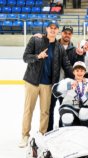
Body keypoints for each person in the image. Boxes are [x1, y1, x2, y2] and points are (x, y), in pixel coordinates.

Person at [20, 20, 74, 148]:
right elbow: (25, 57)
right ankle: (25, 136)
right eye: (51, 27)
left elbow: (66, 65)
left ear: (58, 31)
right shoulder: (36, 40)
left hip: (48, 84)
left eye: (55, 28)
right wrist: (37, 56)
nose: (53, 30)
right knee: (28, 110)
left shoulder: (59, 48)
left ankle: (42, 135)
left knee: (45, 112)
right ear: (47, 29)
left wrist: (78, 77)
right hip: (32, 81)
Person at [33, 26, 84, 131]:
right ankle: (49, 131)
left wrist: (80, 56)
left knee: (65, 110)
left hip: (67, 87)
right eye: (65, 33)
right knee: (49, 110)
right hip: (52, 84)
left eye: (70, 33)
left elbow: (77, 67)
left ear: (72, 35)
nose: (67, 35)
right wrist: (40, 37)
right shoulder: (53, 45)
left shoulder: (74, 50)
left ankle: (62, 130)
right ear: (61, 33)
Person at [52, 61, 88, 127]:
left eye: (81, 71)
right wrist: (68, 84)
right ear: (73, 72)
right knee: (67, 117)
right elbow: (55, 90)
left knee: (85, 112)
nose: (79, 73)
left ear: (85, 72)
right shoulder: (67, 81)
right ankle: (66, 133)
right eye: (77, 71)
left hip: (82, 109)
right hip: (68, 108)